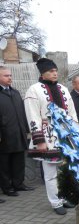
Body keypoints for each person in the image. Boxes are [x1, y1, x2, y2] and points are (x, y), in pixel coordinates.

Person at [24, 58, 78, 215]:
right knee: (50, 172)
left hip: (65, 135)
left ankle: (63, 197)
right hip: (47, 136)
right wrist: (39, 140)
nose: (55, 74)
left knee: (65, 170)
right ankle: (55, 202)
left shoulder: (63, 89)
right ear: (43, 73)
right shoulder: (34, 90)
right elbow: (32, 116)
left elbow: (72, 112)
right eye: (51, 72)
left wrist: (75, 132)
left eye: (55, 71)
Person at [0, 66, 32, 203]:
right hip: (4, 135)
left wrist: (26, 129)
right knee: (4, 163)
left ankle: (19, 184)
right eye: (6, 75)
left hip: (19, 133)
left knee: (19, 160)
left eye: (10, 75)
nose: (10, 77)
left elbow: (23, 113)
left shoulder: (16, 93)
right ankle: (7, 187)